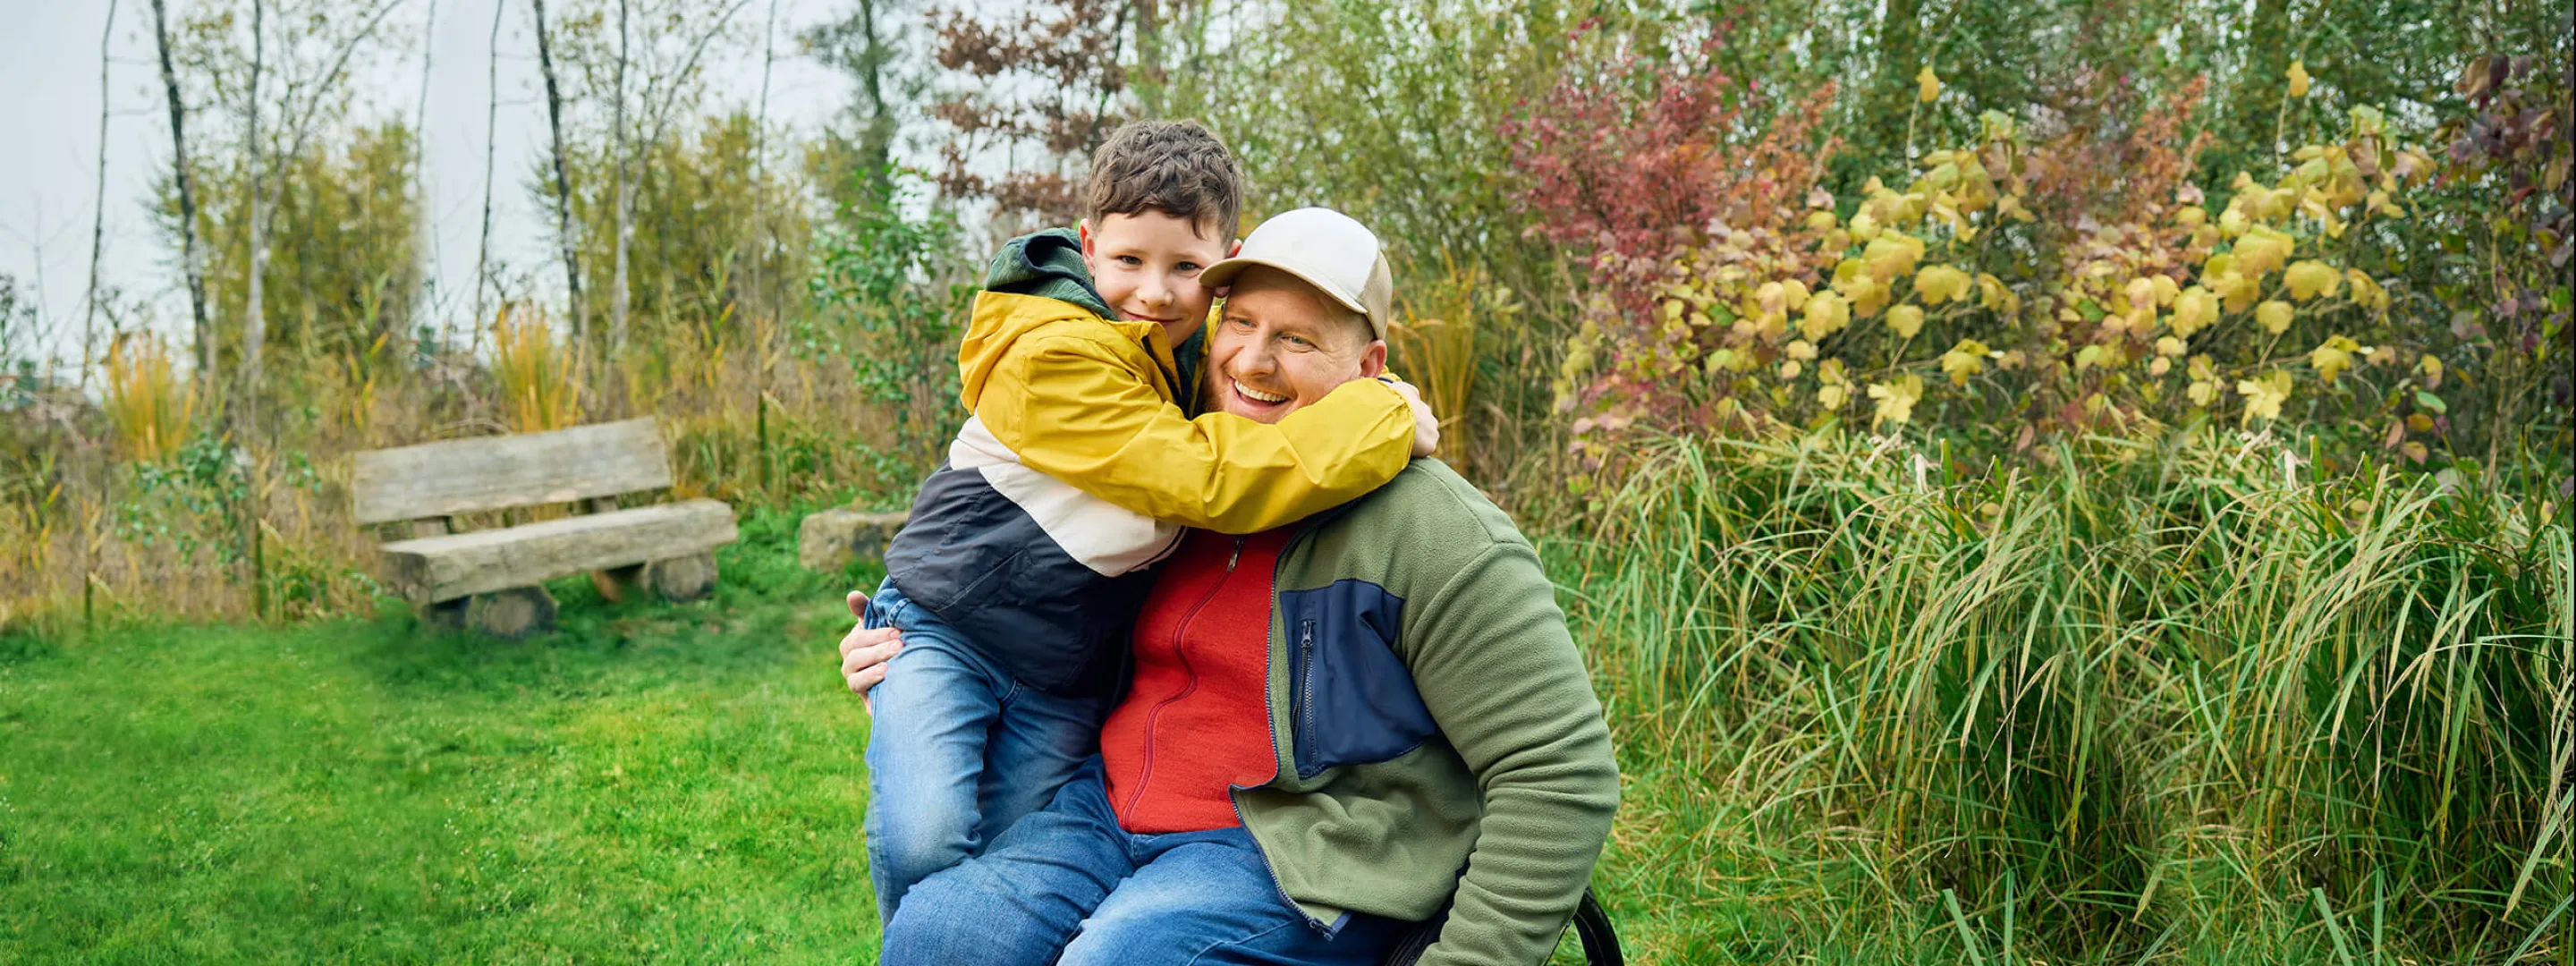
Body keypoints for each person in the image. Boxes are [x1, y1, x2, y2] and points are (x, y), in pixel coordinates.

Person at [849, 208, 1620, 966]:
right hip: (1104, 810)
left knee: (1117, 959)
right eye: (1240, 323)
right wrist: (918, 652)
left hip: (1299, 852)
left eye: (1296, 339)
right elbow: (1024, 577)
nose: (1253, 362)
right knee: (937, 937)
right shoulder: (1179, 479)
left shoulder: (1433, 530)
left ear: (1369, 368)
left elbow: (1559, 771)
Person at [858, 121, 1443, 925]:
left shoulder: (1186, 359)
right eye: (1130, 261)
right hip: (957, 628)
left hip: (1063, 669)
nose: (1157, 292)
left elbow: (1299, 372)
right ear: (1089, 247)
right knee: (925, 838)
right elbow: (1205, 476)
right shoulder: (1054, 355)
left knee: (1002, 856)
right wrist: (1382, 419)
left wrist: (1370, 393)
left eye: (1186, 269)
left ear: (1222, 267)